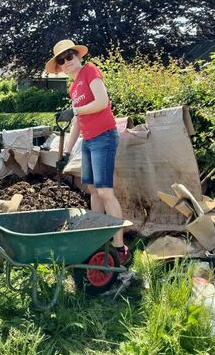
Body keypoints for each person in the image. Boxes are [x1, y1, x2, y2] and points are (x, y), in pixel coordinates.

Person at [45, 39, 130, 264]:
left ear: (78, 56)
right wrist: (67, 152)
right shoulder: (73, 87)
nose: (67, 62)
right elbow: (78, 122)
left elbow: (102, 102)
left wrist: (74, 110)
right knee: (92, 189)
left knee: (105, 192)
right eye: (61, 61)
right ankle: (99, 238)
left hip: (104, 137)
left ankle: (119, 247)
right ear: (60, 67)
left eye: (70, 56)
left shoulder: (90, 71)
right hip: (89, 140)